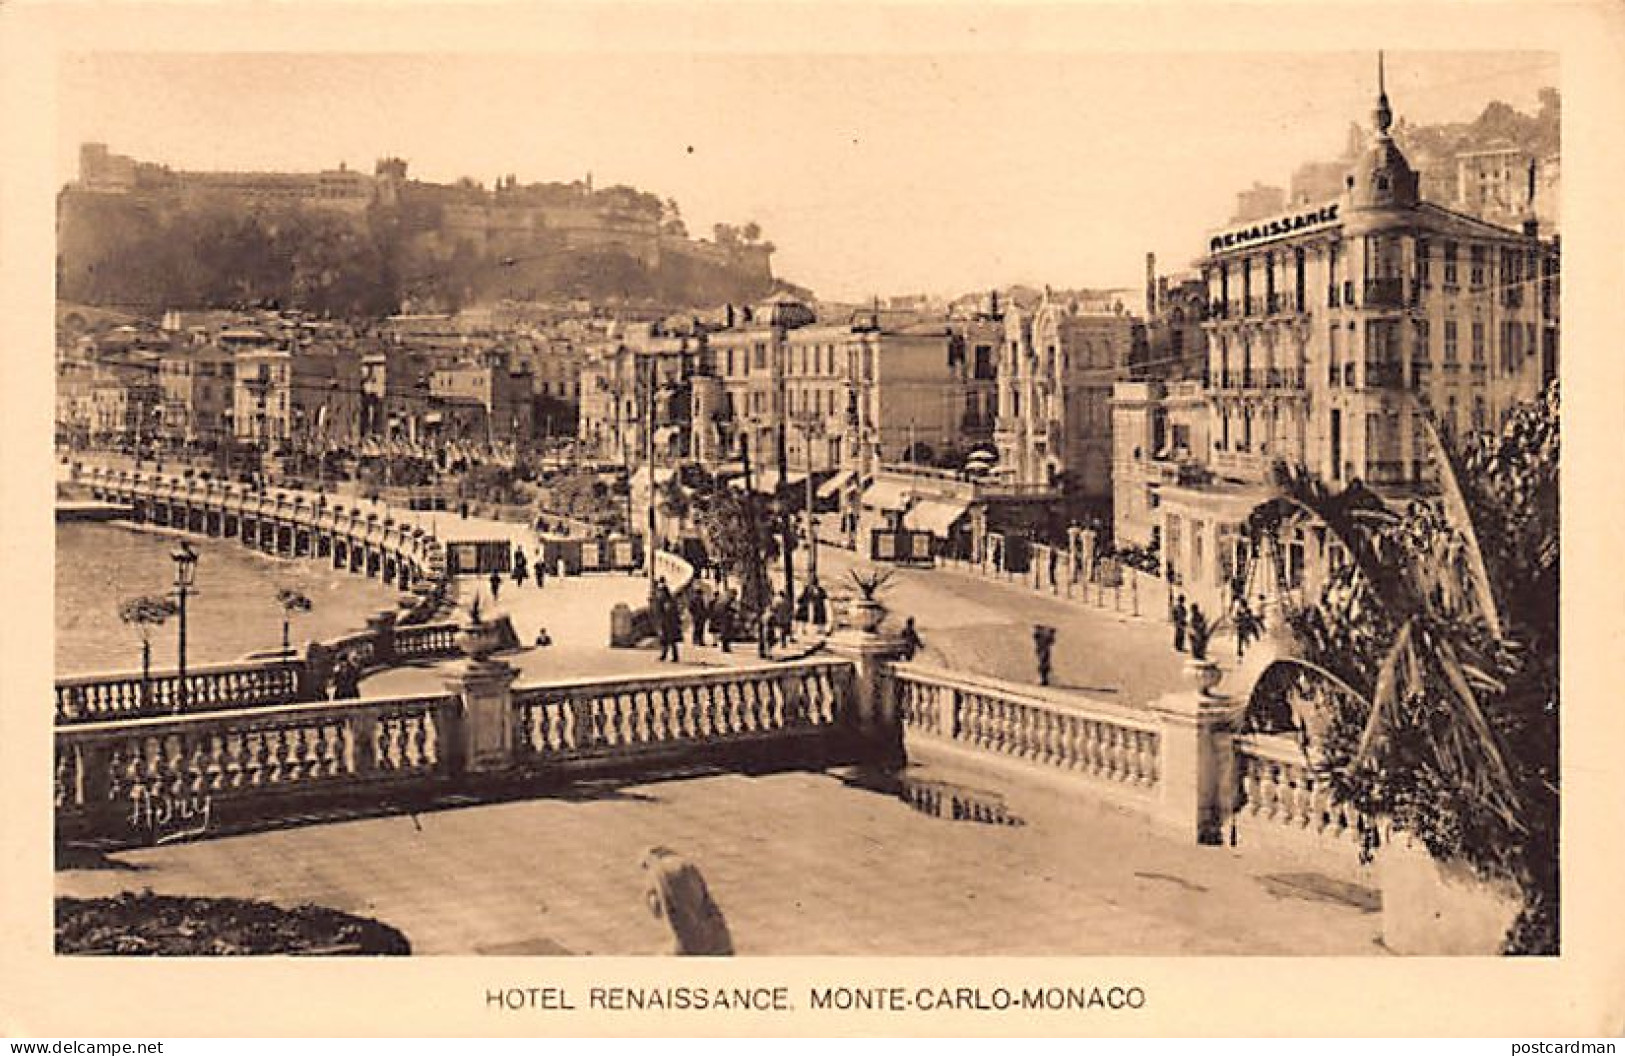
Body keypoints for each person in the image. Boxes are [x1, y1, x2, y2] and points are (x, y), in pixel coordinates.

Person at [641, 846, 733, 956]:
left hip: (690, 948)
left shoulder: (660, 872)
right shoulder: (687, 866)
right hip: (719, 944)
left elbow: (656, 908)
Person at [714, 588, 736, 653]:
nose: (735, 596)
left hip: (724, 619)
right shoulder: (727, 600)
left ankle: (725, 647)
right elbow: (725, 609)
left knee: (725, 633)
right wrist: (731, 612)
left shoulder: (723, 600)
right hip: (726, 619)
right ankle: (725, 647)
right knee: (726, 633)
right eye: (734, 594)